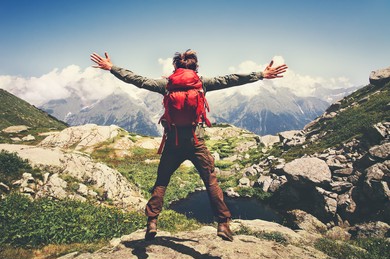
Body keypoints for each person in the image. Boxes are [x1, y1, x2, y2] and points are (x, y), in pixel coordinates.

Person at [90, 50, 287, 242]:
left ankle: (152, 221)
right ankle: (223, 224)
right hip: (196, 142)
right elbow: (231, 79)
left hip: (173, 142)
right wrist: (261, 74)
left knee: (162, 181)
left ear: (175, 67)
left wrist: (111, 68)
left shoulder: (166, 85)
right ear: (195, 67)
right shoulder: (202, 84)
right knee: (210, 181)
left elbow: (137, 79)